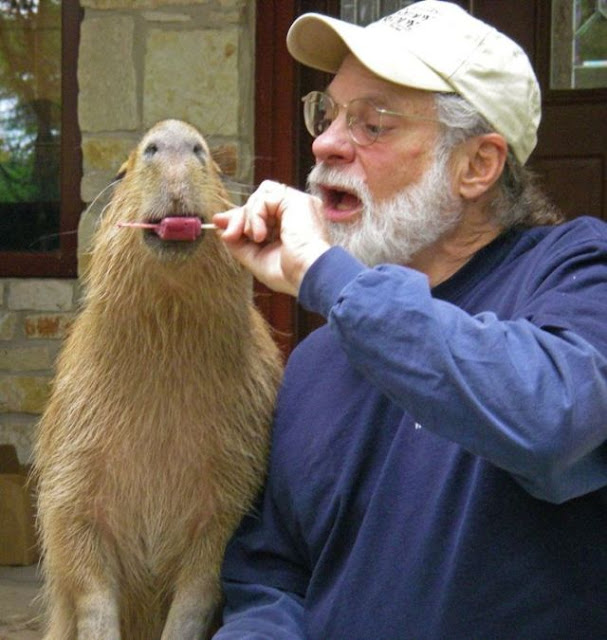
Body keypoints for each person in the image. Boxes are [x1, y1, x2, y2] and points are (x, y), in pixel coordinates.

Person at [211, 2, 607, 638]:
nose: (325, 143)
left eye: (372, 125)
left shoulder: (578, 271)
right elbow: (271, 576)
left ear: (478, 165)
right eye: (328, 113)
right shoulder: (318, 357)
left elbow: (553, 420)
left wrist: (325, 273)